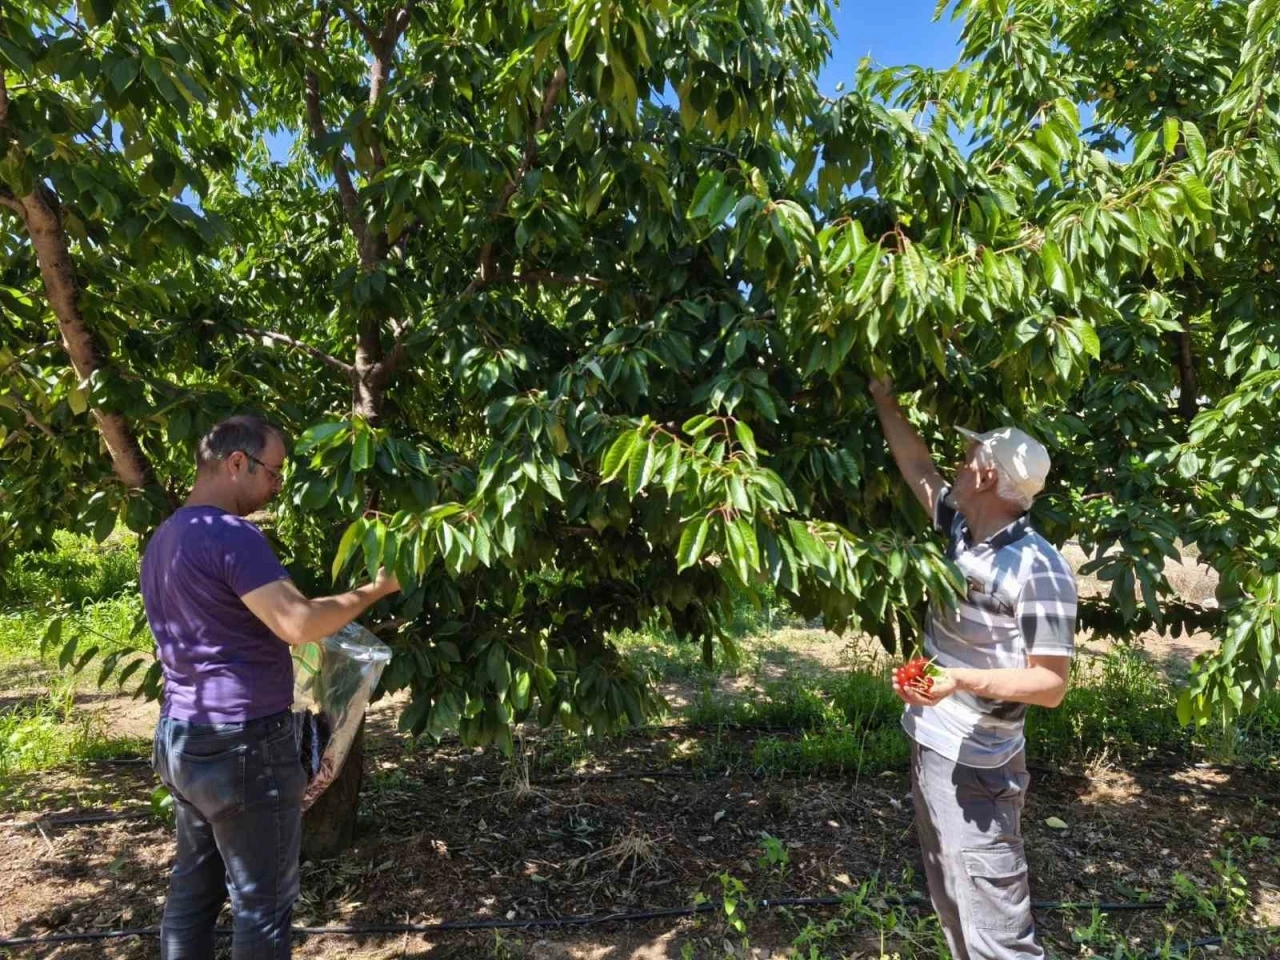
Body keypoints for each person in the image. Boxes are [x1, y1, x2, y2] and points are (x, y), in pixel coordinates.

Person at [140, 415, 400, 960]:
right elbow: (297, 623)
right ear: (237, 463)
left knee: (193, 892)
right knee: (262, 907)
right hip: (242, 746)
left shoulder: (165, 538)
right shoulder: (231, 535)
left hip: (182, 737)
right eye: (274, 472)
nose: (278, 485)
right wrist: (374, 591)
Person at [869, 377, 1077, 960]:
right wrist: (885, 398)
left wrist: (960, 680)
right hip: (933, 742)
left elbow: (1051, 684)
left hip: (979, 764)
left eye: (966, 459)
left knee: (996, 929)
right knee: (952, 898)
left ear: (986, 475)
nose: (956, 467)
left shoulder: (1039, 569)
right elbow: (918, 468)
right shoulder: (963, 531)